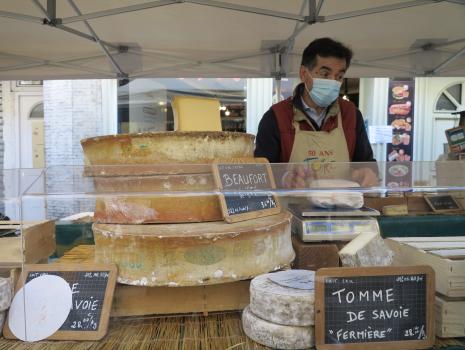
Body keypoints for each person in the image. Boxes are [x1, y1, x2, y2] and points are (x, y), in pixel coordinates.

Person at [254, 37, 378, 187]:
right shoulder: (276, 117)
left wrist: (368, 173)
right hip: (293, 208)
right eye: (325, 74)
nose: (333, 82)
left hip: (341, 207)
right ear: (304, 74)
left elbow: (367, 164)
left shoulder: (351, 114)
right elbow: (259, 173)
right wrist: (285, 178)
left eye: (339, 76)